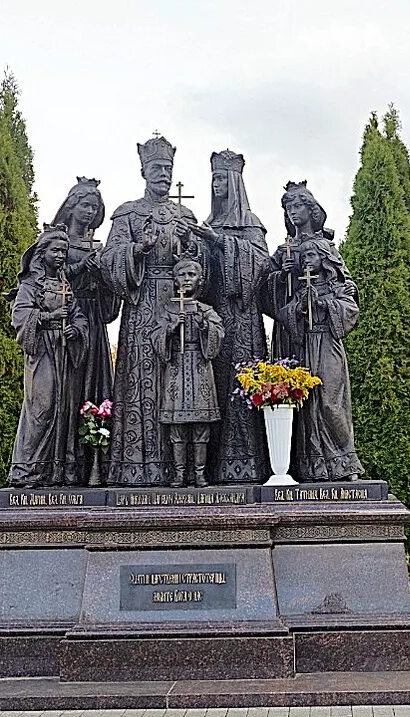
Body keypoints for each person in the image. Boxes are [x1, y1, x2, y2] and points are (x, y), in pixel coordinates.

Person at [96, 135, 207, 485]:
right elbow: (109, 260)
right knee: (143, 380)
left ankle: (188, 470)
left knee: (182, 378)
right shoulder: (128, 213)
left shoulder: (185, 214)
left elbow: (204, 268)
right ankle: (141, 466)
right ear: (143, 170)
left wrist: (193, 251)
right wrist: (137, 250)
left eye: (168, 168)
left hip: (181, 303)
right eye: (157, 167)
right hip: (143, 302)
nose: (163, 174)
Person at [189, 150, 271, 483]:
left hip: (244, 317)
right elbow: (202, 275)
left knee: (243, 385)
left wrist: (220, 242)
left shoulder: (250, 223)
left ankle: (248, 465)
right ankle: (207, 466)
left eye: (221, 178)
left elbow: (261, 264)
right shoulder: (210, 223)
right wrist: (196, 249)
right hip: (216, 318)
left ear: (235, 183)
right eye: (213, 179)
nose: (216, 185)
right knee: (216, 388)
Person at [276, 238, 364, 482]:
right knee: (309, 405)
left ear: (324, 259)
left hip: (327, 346)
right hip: (306, 348)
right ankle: (317, 467)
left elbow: (350, 311)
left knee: (330, 403)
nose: (307, 260)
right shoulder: (302, 287)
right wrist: (300, 308)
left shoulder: (337, 287)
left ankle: (347, 463)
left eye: (312, 256)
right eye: (303, 257)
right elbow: (285, 315)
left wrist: (323, 303)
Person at [8, 226, 88, 486]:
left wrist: (75, 329)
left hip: (64, 351)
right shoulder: (31, 285)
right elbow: (20, 316)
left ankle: (57, 471)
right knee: (42, 406)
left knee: (64, 407)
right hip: (42, 351)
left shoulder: (65, 286)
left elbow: (78, 316)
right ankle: (27, 470)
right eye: (55, 250)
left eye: (64, 251)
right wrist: (49, 318)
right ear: (42, 253)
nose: (61, 255)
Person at [50, 177, 118, 483]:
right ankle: (64, 462)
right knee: (69, 390)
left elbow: (110, 298)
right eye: (85, 205)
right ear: (72, 206)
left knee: (97, 387)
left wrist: (104, 275)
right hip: (68, 322)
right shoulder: (57, 241)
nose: (90, 212)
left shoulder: (99, 247)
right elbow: (51, 278)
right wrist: (82, 268)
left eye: (95, 207)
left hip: (94, 323)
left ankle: (97, 463)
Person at [151, 259, 225, 487]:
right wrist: (171, 328)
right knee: (177, 426)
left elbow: (218, 333)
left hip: (200, 367)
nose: (186, 279)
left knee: (201, 426)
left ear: (199, 280)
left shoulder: (206, 310)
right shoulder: (168, 309)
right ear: (174, 280)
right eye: (182, 275)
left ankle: (200, 473)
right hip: (176, 368)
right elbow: (156, 337)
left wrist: (205, 327)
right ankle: (180, 473)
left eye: (191, 275)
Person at [263, 181, 353, 359]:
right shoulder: (284, 250)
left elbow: (343, 278)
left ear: (311, 209)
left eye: (297, 206)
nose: (293, 212)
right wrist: (281, 276)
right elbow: (264, 290)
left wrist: (349, 287)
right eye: (289, 208)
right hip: (290, 326)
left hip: (321, 325)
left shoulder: (326, 246)